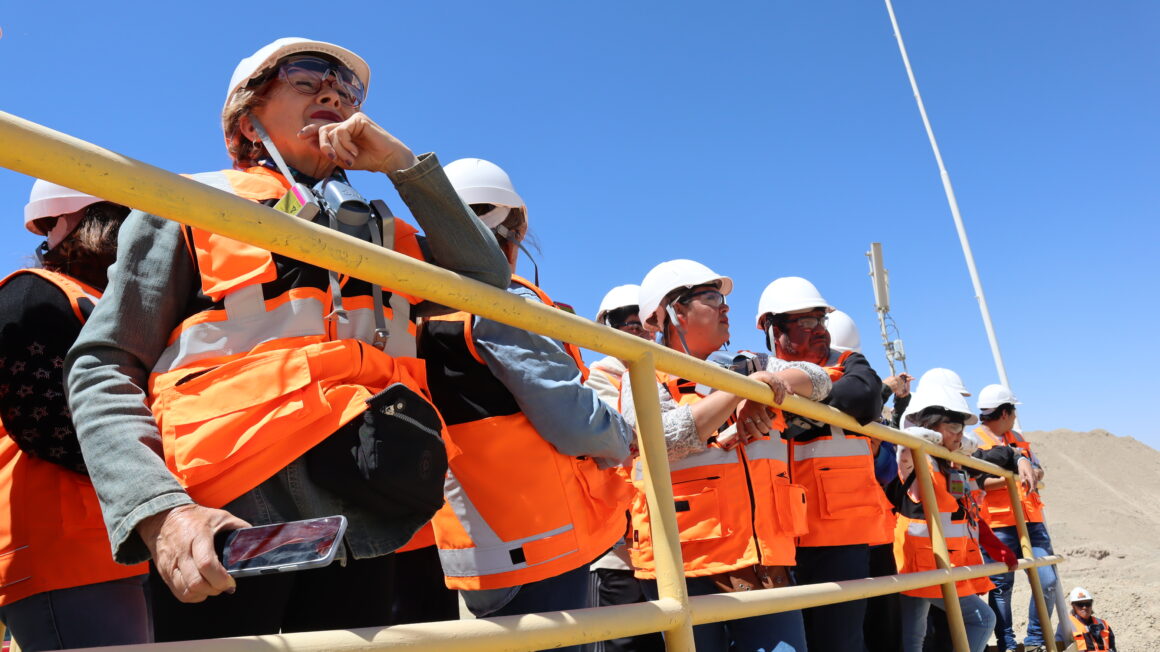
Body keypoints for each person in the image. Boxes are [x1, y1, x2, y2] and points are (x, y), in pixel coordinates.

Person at [65, 38, 510, 640]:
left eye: (345, 88)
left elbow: (486, 280)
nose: (333, 91)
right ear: (248, 120)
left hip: (369, 518)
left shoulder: (386, 235)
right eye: (305, 79)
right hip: (228, 526)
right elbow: (103, 367)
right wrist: (159, 511)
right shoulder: (189, 205)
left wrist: (406, 168)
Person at [422, 158, 632, 646]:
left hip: (476, 545)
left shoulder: (418, 307)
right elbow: (573, 421)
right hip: (543, 542)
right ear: (510, 229)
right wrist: (625, 437)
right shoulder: (501, 302)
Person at [619, 259, 831, 652]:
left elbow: (819, 381)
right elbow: (658, 441)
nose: (725, 307)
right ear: (671, 313)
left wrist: (768, 384)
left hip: (763, 560)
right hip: (685, 566)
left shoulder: (752, 364)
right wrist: (740, 390)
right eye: (711, 297)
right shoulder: (643, 373)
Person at [0, 181, 150, 651]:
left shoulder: (121, 310)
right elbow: (44, 423)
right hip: (70, 552)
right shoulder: (35, 294)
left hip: (131, 539)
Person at [755, 276, 891, 652]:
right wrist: (823, 402)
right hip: (781, 531)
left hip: (841, 531)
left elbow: (865, 396)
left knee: (840, 641)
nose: (821, 331)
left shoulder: (848, 362)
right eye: (808, 322)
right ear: (773, 328)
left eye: (822, 321)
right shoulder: (757, 369)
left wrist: (799, 400)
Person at [893, 384, 1017, 652]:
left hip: (939, 562)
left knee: (916, 637)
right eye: (954, 427)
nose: (961, 434)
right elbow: (907, 439)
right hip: (921, 564)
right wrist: (941, 439)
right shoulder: (916, 455)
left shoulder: (949, 462)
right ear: (932, 425)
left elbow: (967, 514)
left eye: (962, 428)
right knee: (981, 621)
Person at [582, 284, 664, 652]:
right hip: (617, 554)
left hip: (659, 548)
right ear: (607, 328)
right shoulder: (599, 378)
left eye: (649, 323)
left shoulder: (663, 374)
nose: (646, 333)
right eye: (634, 325)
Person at [972, 384, 1057, 652]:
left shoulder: (1017, 437)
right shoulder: (973, 441)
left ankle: (1036, 639)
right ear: (1005, 412)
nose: (1014, 418)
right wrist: (1013, 477)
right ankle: (1006, 643)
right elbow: (980, 482)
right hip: (998, 524)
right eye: (1013, 412)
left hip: (1031, 519)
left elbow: (1038, 469)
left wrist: (1031, 471)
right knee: (1001, 586)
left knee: (1048, 580)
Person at [1067, 587, 1116, 651]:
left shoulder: (1103, 624)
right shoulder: (1067, 625)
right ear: (1073, 606)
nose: (1084, 607)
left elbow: (1112, 648)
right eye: (1080, 604)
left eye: (1088, 604)